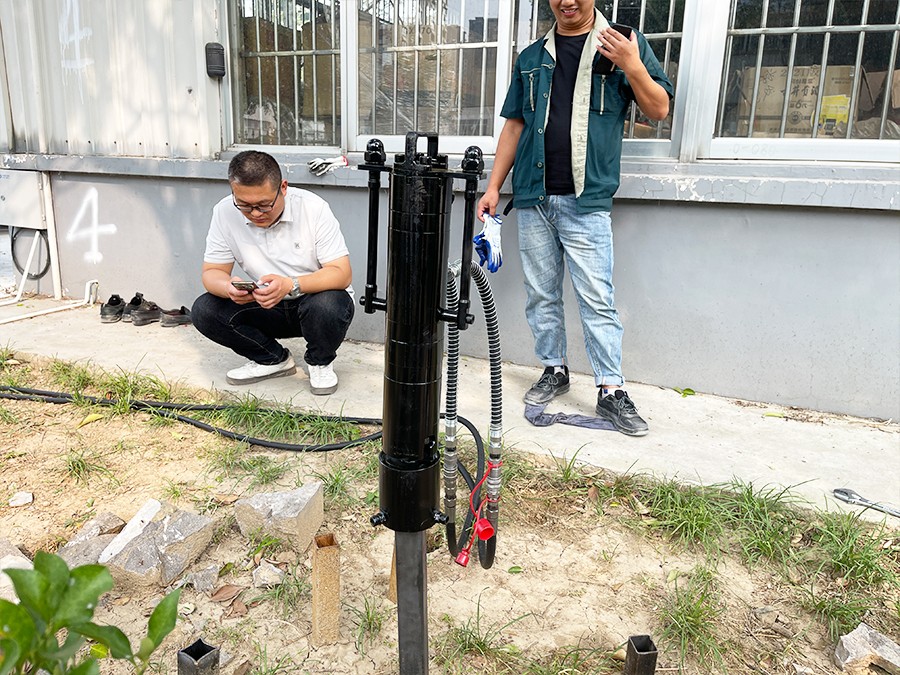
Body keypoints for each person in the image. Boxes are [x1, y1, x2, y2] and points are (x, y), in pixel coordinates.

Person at [476, 0, 673, 436]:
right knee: (541, 294)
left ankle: (610, 389)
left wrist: (631, 64)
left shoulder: (623, 42)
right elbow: (514, 126)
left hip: (586, 201)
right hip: (533, 196)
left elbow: (658, 109)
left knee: (597, 298)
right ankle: (554, 368)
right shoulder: (532, 57)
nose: (567, 1)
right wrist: (493, 187)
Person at [192, 150, 354, 395]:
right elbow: (212, 272)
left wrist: (291, 284)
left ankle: (320, 362)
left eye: (264, 204)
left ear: (283, 188)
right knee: (205, 309)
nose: (256, 213)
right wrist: (228, 288)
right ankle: (271, 359)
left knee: (330, 304)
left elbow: (341, 273)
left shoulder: (313, 208)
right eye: (244, 205)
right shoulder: (224, 212)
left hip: (311, 302)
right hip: (264, 302)